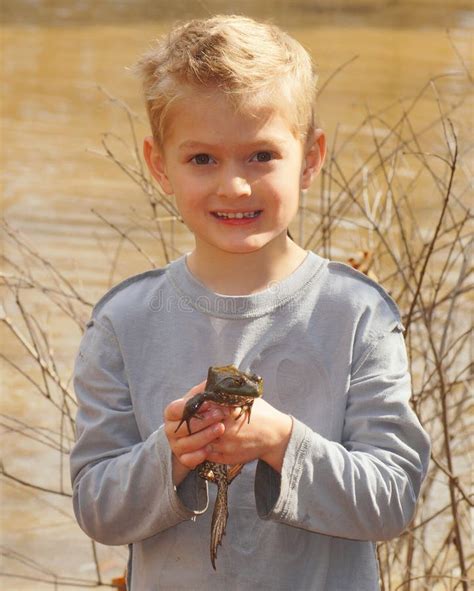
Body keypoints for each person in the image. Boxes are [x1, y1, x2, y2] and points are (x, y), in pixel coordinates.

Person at [70, 15, 430, 590]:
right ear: (159, 165)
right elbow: (95, 508)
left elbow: (393, 500)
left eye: (261, 155)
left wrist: (281, 441)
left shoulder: (356, 313)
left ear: (311, 157)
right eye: (202, 159)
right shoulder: (124, 323)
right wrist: (172, 453)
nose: (234, 186)